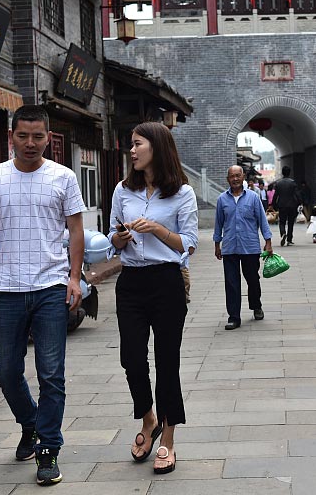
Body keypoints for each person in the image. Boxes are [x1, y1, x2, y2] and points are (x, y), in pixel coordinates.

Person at [0, 104, 85, 486]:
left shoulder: (64, 177)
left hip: (51, 287)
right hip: (7, 289)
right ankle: (31, 423)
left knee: (52, 373)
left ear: (48, 139)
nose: (31, 143)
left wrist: (73, 277)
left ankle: (48, 449)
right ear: (11, 137)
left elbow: (75, 230)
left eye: (38, 137)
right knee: (5, 370)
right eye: (23, 136)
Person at [109, 121, 198, 475]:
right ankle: (149, 419)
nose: (131, 151)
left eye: (137, 144)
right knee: (131, 358)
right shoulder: (122, 190)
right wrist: (118, 239)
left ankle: (169, 440)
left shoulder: (182, 193)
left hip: (166, 282)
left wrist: (158, 229)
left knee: (167, 362)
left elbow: (188, 243)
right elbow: (112, 232)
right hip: (130, 282)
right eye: (130, 145)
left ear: (157, 147)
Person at [214, 165, 273, 330]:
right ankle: (234, 317)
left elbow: (262, 219)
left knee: (253, 279)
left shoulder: (253, 198)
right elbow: (218, 223)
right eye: (231, 176)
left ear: (243, 177)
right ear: (228, 179)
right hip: (230, 247)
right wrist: (217, 244)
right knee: (231, 283)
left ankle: (256, 305)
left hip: (250, 246)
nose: (235, 179)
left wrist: (268, 242)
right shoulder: (222, 199)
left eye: (237, 175)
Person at [271, 166, 301, 246]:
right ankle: (289, 239)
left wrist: (273, 204)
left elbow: (275, 195)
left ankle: (283, 232)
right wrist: (300, 202)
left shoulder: (278, 183)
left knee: (282, 222)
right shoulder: (293, 182)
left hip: (282, 205)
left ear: (282, 172)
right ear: (289, 172)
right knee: (291, 222)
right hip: (292, 205)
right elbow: (297, 194)